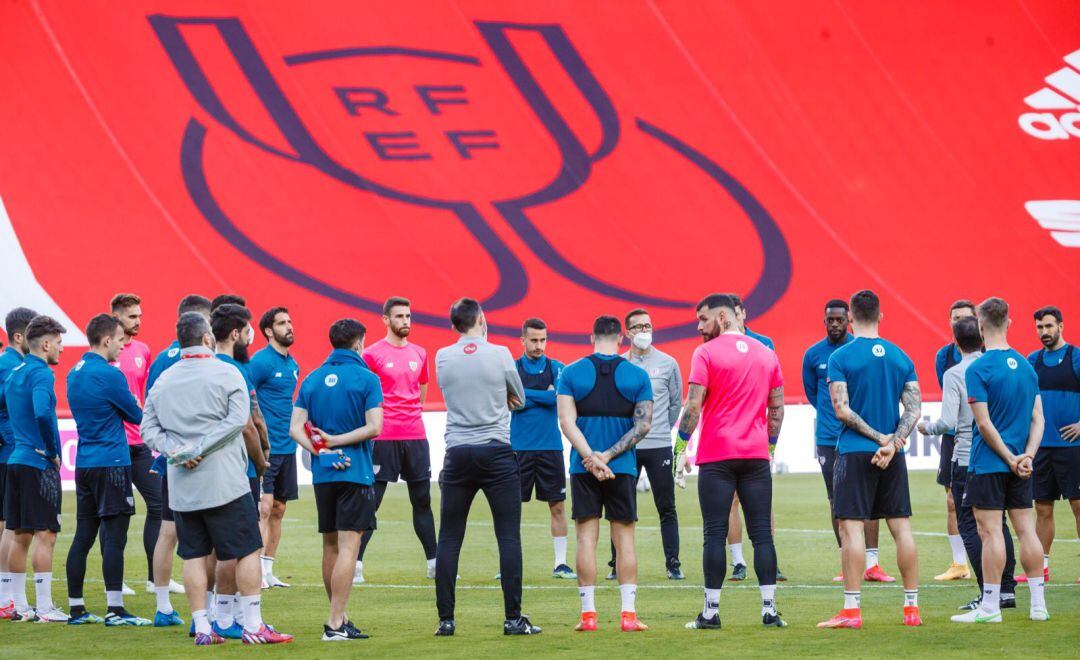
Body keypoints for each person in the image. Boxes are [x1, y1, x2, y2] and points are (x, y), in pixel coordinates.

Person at [141, 311, 291, 645]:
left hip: (183, 486)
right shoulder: (227, 372)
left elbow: (147, 429)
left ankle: (203, 627)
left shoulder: (164, 380)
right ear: (208, 338)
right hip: (225, 482)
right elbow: (239, 421)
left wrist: (177, 450)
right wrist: (200, 448)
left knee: (193, 555)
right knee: (248, 549)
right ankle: (253, 624)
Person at [432, 297, 540, 637]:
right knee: (508, 536)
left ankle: (446, 620)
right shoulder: (501, 354)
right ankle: (513, 619)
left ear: (454, 324)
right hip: (495, 450)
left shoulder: (442, 356)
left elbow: (454, 392)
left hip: (458, 451)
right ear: (481, 318)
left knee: (449, 536)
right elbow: (520, 399)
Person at [679, 294, 786, 630]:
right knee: (763, 536)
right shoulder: (767, 353)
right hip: (755, 456)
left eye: (703, 319)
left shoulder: (705, 353)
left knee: (714, 534)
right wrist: (769, 448)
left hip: (717, 455)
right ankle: (769, 611)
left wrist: (679, 447)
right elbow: (777, 410)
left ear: (722, 317)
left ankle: (711, 614)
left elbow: (693, 406)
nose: (699, 326)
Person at [818, 289, 922, 629]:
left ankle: (851, 611)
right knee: (901, 528)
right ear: (880, 316)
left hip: (854, 452)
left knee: (851, 530)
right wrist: (893, 442)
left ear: (850, 318)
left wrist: (879, 439)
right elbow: (914, 410)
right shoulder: (900, 356)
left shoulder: (840, 357)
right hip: (893, 453)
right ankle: (911, 609)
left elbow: (842, 410)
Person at [951, 297, 1048, 623]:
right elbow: (1038, 419)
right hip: (1021, 464)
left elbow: (983, 424)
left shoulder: (978, 368)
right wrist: (1027, 456)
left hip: (989, 463)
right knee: (1026, 530)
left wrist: (1008, 458)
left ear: (980, 325)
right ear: (1009, 323)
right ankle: (1038, 605)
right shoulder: (1026, 365)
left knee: (990, 532)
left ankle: (991, 606)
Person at [558, 315, 653, 633]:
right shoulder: (638, 375)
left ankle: (588, 616)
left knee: (586, 539)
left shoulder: (570, 372)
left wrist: (591, 458)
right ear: (621, 339)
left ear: (592, 338)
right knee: (625, 540)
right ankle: (628, 616)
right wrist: (608, 457)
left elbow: (566, 422)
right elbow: (643, 425)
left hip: (582, 467)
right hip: (622, 467)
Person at [290, 318, 383, 641]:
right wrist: (336, 441)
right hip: (355, 471)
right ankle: (334, 623)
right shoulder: (367, 379)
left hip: (324, 473)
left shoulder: (312, 379)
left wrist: (321, 451)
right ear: (359, 343)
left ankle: (339, 616)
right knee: (349, 546)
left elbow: (295, 428)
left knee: (330, 545)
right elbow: (375, 427)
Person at [919, 316, 1017, 611]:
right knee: (998, 523)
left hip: (966, 457)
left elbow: (948, 421)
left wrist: (927, 428)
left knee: (970, 526)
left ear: (955, 341)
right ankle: (1007, 589)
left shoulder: (955, 373)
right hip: (1000, 453)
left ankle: (989, 592)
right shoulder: (997, 366)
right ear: (982, 337)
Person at [64, 314, 150, 625]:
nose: (122, 346)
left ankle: (76, 608)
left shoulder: (74, 372)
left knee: (83, 535)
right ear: (106, 340)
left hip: (85, 462)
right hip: (112, 462)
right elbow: (135, 415)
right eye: (119, 340)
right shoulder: (111, 375)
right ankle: (115, 609)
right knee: (115, 537)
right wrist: (134, 405)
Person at [802, 300, 894, 582]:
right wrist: (831, 417)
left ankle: (872, 564)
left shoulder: (858, 349)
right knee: (837, 500)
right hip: (829, 438)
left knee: (871, 500)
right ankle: (848, 562)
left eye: (839, 320)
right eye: (830, 320)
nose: (834, 324)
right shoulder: (813, 355)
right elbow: (812, 393)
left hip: (860, 437)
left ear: (849, 320)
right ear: (824, 321)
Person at [356, 297, 437, 584]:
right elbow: (364, 393)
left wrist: (410, 413)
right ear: (386, 320)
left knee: (422, 500)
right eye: (400, 316)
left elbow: (421, 389)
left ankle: (434, 563)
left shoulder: (420, 353)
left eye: (408, 316)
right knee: (372, 501)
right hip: (384, 437)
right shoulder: (372, 354)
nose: (405, 321)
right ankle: (356, 564)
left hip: (415, 436)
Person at [146, 294, 212, 626]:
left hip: (171, 459)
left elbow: (150, 408)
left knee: (167, 531)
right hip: (206, 459)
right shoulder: (207, 361)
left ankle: (163, 607)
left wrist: (171, 448)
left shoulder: (161, 359)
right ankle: (211, 611)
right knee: (208, 535)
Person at [209, 303, 270, 640]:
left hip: (207, 468)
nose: (250, 337)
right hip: (238, 468)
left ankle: (213, 615)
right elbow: (248, 423)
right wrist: (261, 461)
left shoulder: (202, 366)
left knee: (214, 547)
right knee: (244, 545)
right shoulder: (235, 371)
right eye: (247, 331)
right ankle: (240, 619)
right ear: (235, 334)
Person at [0, 315, 67, 622]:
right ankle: (44, 608)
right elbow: (42, 412)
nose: (62, 348)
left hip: (14, 460)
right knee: (46, 535)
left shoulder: (14, 373)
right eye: (59, 342)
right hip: (37, 463)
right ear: (45, 344)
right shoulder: (41, 374)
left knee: (18, 534)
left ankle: (19, 605)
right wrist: (52, 450)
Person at [608, 308, 683, 580]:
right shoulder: (618, 365)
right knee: (621, 508)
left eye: (648, 326)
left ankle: (673, 564)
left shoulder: (668, 363)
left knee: (666, 506)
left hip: (659, 445)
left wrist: (660, 428)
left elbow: (675, 403)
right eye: (639, 327)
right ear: (628, 333)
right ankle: (616, 564)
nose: (644, 331)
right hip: (627, 447)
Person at [724, 293, 784, 582]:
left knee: (762, 498)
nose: (733, 319)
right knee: (731, 500)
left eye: (737, 313)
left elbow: (774, 390)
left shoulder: (764, 344)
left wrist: (772, 438)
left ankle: (769, 558)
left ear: (744, 314)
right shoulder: (716, 345)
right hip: (727, 434)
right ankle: (738, 561)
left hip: (757, 431)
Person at [508, 318, 574, 579]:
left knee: (557, 506)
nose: (539, 345)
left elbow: (556, 400)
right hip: (519, 449)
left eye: (543, 340)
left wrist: (525, 394)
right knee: (511, 508)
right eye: (534, 340)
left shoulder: (557, 368)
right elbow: (511, 402)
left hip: (550, 448)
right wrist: (543, 395)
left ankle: (560, 563)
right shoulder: (512, 368)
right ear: (522, 340)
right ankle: (509, 564)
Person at [1023, 306, 1079, 585]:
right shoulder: (1032, 361)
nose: (1044, 332)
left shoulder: (1075, 357)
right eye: (1039, 327)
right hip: (1041, 448)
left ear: (1061, 326)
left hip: (1073, 447)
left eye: (1048, 326)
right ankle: (1041, 567)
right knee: (1042, 508)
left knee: (1078, 506)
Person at [110, 293, 162, 594]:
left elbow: (147, 395)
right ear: (117, 317)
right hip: (114, 446)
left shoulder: (143, 350)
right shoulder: (106, 351)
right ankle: (114, 580)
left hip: (140, 444)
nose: (138, 321)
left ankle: (155, 579)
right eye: (132, 316)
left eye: (139, 315)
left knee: (159, 505)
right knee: (115, 515)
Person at [249, 306, 300, 589]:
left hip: (288, 447)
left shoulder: (293, 364)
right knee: (264, 509)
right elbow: (247, 395)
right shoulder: (260, 361)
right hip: (266, 449)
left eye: (290, 321)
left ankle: (268, 570)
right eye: (282, 323)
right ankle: (255, 570)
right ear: (269, 331)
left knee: (279, 508)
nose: (289, 326)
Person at [932, 299, 978, 582]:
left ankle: (992, 559)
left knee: (989, 502)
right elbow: (951, 396)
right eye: (955, 318)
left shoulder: (986, 354)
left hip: (982, 437)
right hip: (954, 437)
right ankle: (960, 564)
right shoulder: (944, 356)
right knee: (952, 500)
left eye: (964, 317)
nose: (959, 322)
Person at [0, 307, 37, 619]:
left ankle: (6, 597)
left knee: (9, 525)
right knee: (9, 526)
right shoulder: (9, 365)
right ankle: (6, 597)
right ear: (18, 336)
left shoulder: (13, 363)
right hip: (10, 452)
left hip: (11, 450)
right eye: (33, 333)